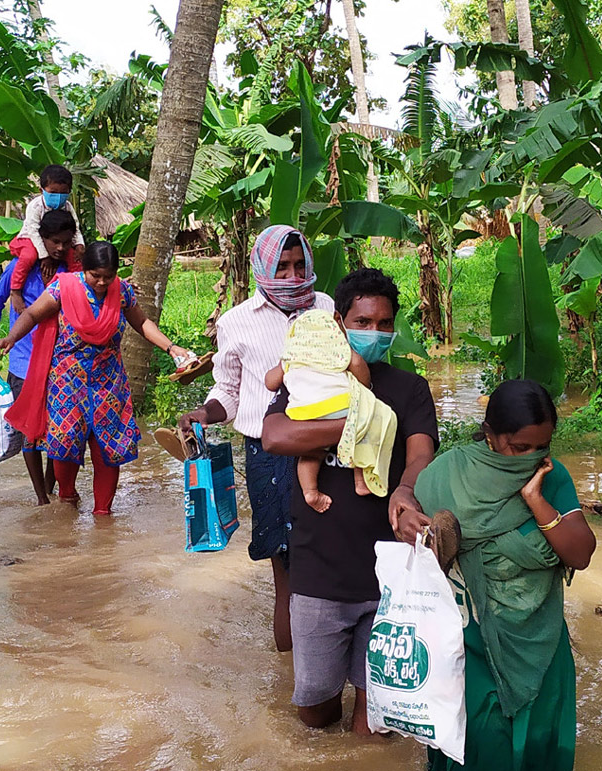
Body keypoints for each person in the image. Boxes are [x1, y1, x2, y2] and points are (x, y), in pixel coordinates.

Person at [406, 378, 597, 771]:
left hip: (539, 632)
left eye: (540, 445)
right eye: (517, 446)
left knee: (533, 747)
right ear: (490, 435)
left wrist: (536, 500)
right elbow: (419, 544)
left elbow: (580, 553)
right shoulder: (446, 473)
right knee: (481, 727)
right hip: (470, 631)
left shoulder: (550, 476)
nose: (530, 457)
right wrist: (405, 512)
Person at [261, 267, 437, 734]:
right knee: (314, 710)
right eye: (362, 322)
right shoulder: (309, 376)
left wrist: (404, 487)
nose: (373, 333)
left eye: (383, 325)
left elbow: (421, 453)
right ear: (339, 322)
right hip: (319, 571)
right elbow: (275, 435)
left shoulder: (409, 388)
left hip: (390, 574)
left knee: (374, 723)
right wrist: (368, 425)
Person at [179, 226, 335, 653]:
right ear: (263, 267)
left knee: (328, 556)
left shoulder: (325, 307)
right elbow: (228, 392)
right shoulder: (237, 322)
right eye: (282, 267)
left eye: (299, 265)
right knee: (285, 564)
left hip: (327, 445)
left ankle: (319, 670)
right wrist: (203, 413)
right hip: (268, 456)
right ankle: (293, 685)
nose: (291, 276)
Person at [0, 240, 192, 515]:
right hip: (67, 382)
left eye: (107, 277)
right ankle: (67, 497)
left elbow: (143, 323)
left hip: (109, 384)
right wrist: (11, 338)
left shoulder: (121, 291)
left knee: (107, 449)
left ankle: (103, 514)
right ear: (84, 270)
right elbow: (31, 314)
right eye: (94, 276)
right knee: (65, 442)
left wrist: (172, 348)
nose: (101, 282)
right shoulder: (63, 287)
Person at [0, 208, 82, 505]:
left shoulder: (71, 273)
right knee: (30, 431)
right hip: (24, 363)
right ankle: (41, 497)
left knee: (59, 433)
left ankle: (52, 488)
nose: (61, 248)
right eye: (54, 241)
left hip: (60, 363)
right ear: (42, 239)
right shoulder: (18, 268)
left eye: (66, 242)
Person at [264, 309, 397, 513]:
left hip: (301, 414)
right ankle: (361, 478)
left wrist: (284, 365)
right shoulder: (339, 350)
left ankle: (310, 491)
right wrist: (365, 385)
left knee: (310, 453)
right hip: (339, 407)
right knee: (369, 424)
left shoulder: (292, 357)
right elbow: (358, 367)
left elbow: (270, 382)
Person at [9, 164, 86, 311]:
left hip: (54, 242)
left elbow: (75, 228)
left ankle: (80, 289)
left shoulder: (68, 207)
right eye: (53, 192)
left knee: (75, 258)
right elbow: (33, 231)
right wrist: (44, 256)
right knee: (29, 256)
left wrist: (79, 245)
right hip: (30, 239)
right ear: (42, 190)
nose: (58, 196)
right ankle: (16, 291)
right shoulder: (35, 207)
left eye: (63, 193)